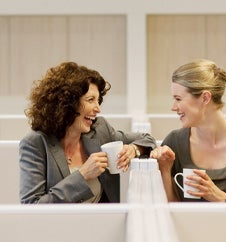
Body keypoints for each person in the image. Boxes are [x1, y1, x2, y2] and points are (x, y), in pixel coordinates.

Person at [19, 61, 156, 204]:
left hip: (104, 223)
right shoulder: (36, 143)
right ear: (67, 103)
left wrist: (134, 149)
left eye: (98, 101)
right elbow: (31, 205)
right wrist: (83, 175)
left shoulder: (99, 130)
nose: (98, 109)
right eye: (91, 100)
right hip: (59, 225)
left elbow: (148, 140)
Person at [150, 59, 226, 202]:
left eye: (178, 99)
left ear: (205, 98)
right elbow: (172, 209)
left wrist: (220, 197)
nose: (174, 107)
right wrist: (165, 170)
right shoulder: (174, 143)